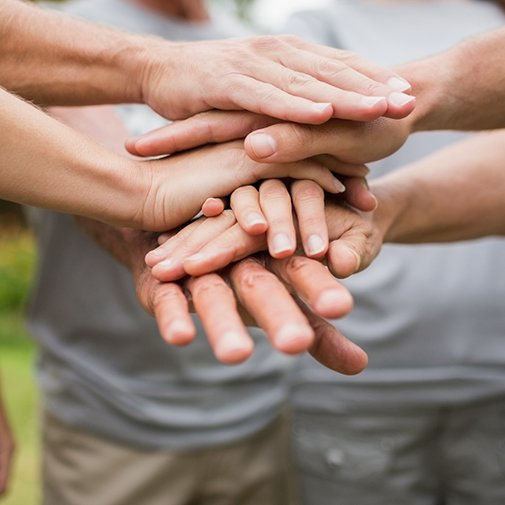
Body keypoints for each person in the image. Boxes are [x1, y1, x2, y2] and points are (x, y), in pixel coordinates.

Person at [141, 1, 505, 503]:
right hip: (363, 385)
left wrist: (393, 104)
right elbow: (275, 153)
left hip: (493, 370)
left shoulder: (491, 21)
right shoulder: (317, 25)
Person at [21, 1, 367, 504]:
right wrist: (145, 209)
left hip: (260, 413)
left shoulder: (251, 50)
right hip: (111, 424)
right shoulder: (58, 40)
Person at [0, 0, 415, 225]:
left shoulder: (253, 45)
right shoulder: (57, 37)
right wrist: (145, 190)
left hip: (265, 371)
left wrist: (306, 167)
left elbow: (288, 164)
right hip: (104, 371)